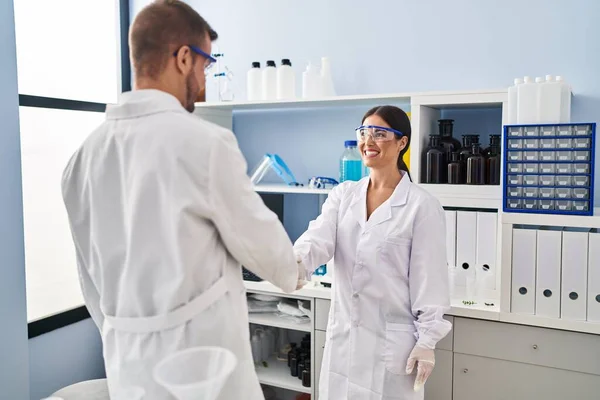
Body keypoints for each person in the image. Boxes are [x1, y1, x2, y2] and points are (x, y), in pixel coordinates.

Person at [61, 1, 304, 399]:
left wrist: (131, 330)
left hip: (128, 364)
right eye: (205, 65)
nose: (204, 81)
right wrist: (297, 269)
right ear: (184, 57)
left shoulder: (81, 159)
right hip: (203, 365)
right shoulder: (204, 143)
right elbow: (267, 251)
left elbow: (90, 282)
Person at [294, 105, 452, 400]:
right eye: (364, 133)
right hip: (345, 341)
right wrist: (292, 265)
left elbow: (429, 278)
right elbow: (317, 240)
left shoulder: (421, 205)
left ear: (402, 142)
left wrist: (428, 340)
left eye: (380, 134)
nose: (368, 142)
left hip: (391, 345)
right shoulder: (343, 195)